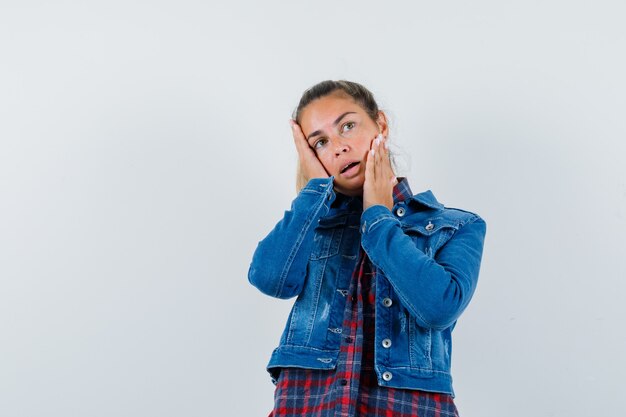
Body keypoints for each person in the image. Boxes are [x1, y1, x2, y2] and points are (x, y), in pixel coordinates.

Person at [248, 80, 487, 417]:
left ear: (381, 124)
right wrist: (315, 191)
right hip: (309, 405)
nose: (338, 148)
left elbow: (437, 308)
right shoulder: (311, 224)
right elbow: (269, 279)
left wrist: (377, 216)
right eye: (320, 142)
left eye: (348, 126)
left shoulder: (458, 226)